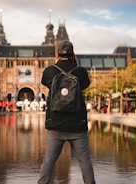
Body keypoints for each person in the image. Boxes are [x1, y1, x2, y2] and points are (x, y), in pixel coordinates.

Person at [38, 40, 95, 184]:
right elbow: (86, 84)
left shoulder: (50, 71)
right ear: (73, 54)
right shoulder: (80, 71)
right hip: (77, 125)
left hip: (56, 124)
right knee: (85, 161)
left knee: (48, 161)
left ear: (57, 54)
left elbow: (45, 82)